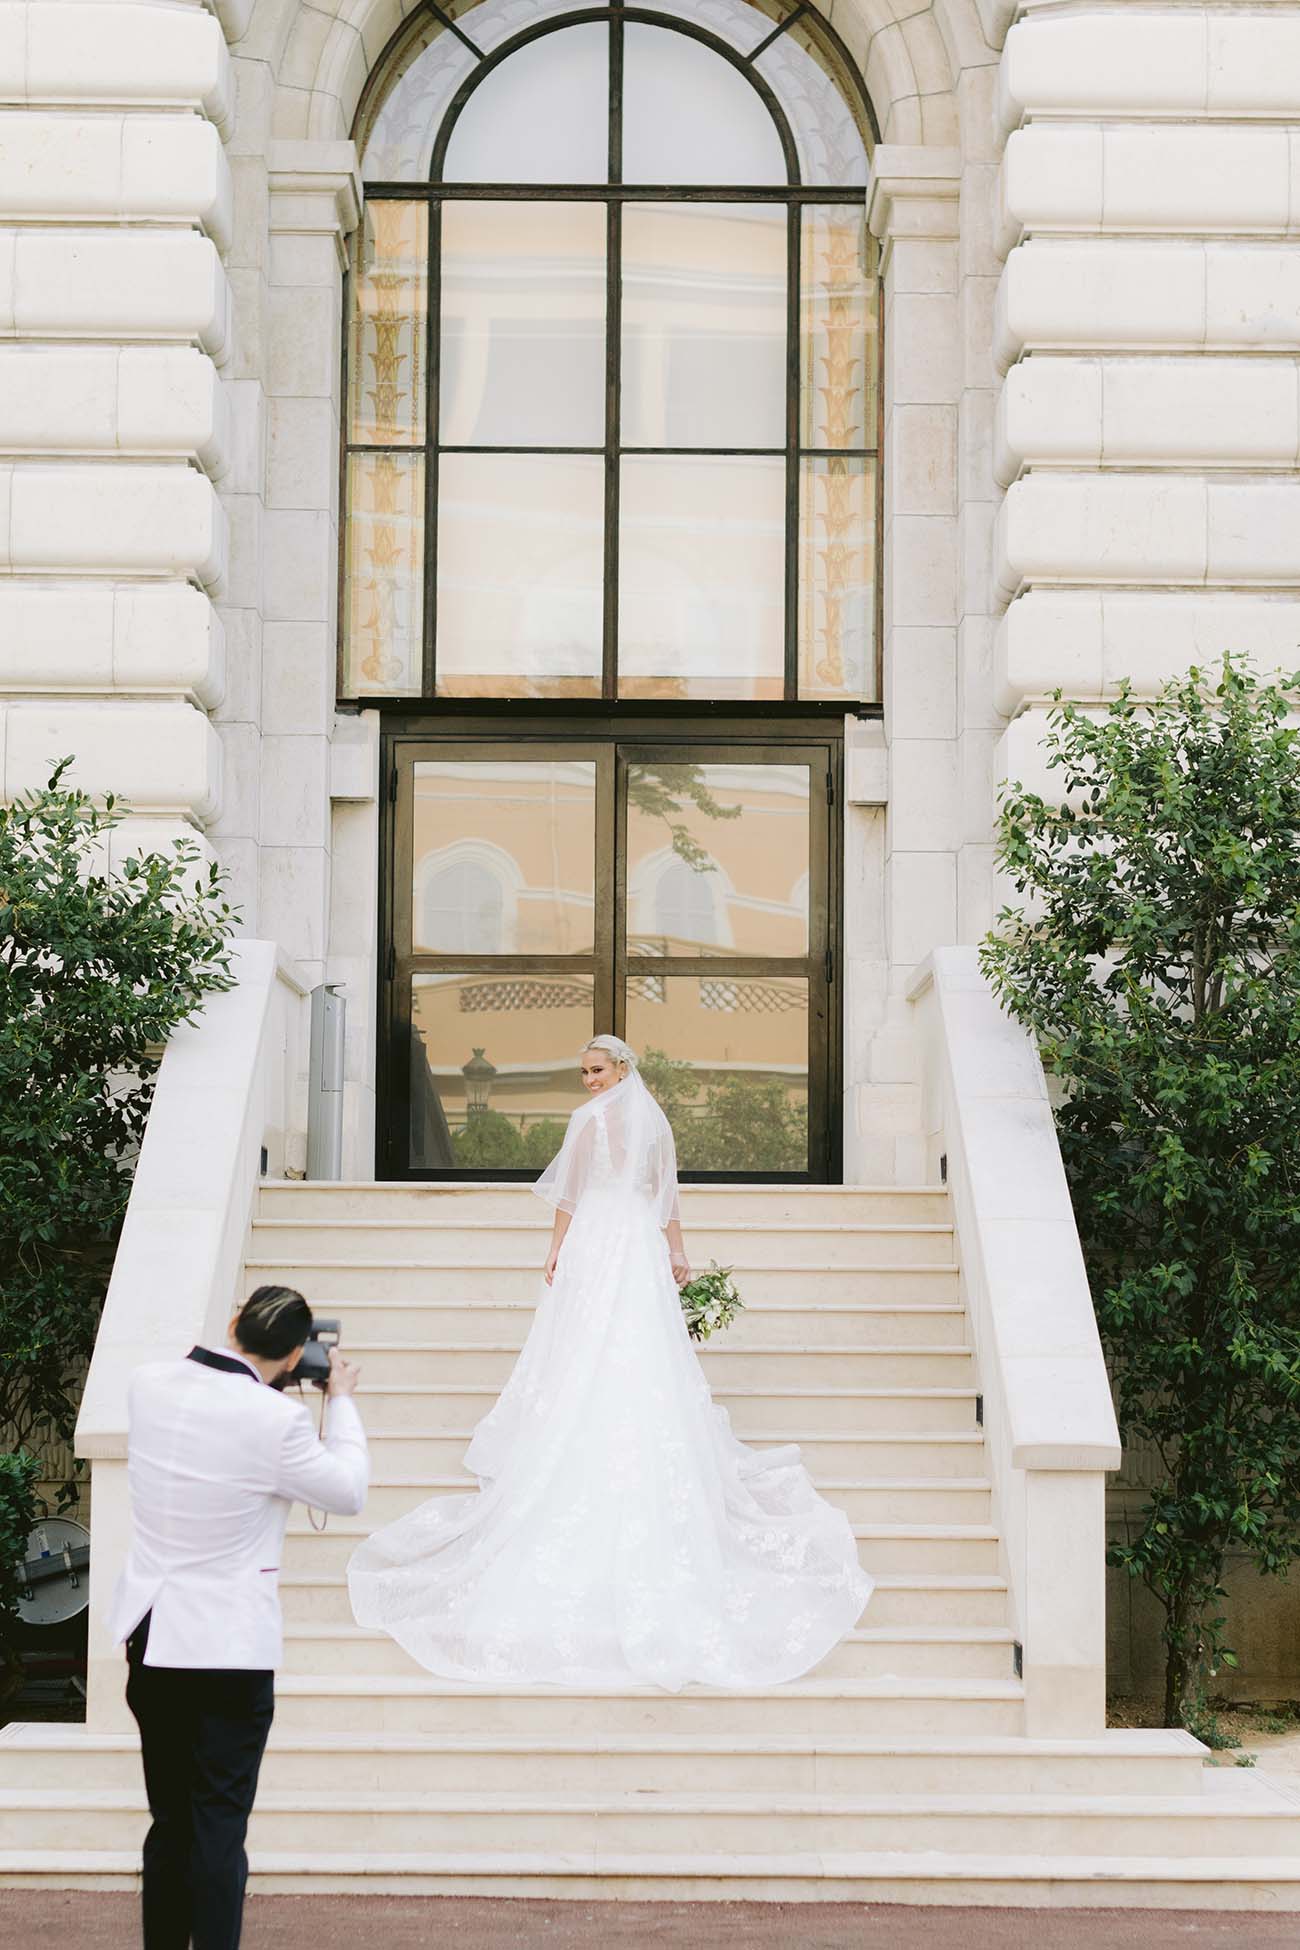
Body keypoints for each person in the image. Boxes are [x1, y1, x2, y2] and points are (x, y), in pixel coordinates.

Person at [349, 1036, 871, 1690]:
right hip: (627, 1239)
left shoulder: (594, 1122)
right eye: (585, 1073)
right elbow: (659, 1196)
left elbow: (600, 1195)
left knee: (622, 1341)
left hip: (607, 1236)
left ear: (620, 1068)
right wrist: (671, 1250)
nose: (589, 1081)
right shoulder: (648, 1119)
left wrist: (567, 1248)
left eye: (596, 1070)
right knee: (594, 1340)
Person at [111, 1286, 369, 1950]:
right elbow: (346, 1492)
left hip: (153, 1633)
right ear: (295, 1353)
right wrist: (337, 1399)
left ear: (232, 1324)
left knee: (169, 1820)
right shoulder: (274, 1422)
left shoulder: (147, 1385)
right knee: (220, 1825)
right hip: (229, 1651)